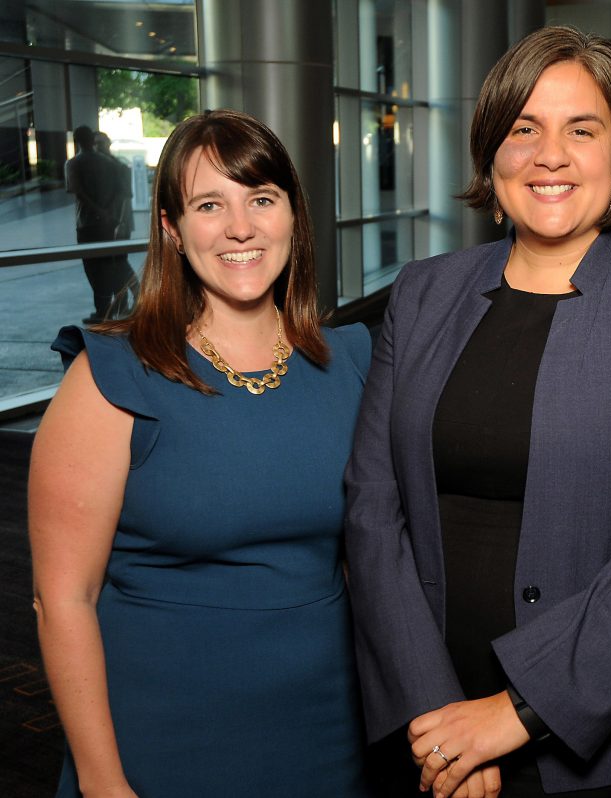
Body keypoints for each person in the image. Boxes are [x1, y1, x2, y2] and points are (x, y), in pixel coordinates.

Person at [344, 25, 611, 798]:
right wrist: (439, 722)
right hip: (429, 722)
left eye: (581, 130)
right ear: (491, 151)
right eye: (523, 129)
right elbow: (371, 508)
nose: (549, 155)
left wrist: (517, 712)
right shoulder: (424, 291)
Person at [31, 109, 371, 797]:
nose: (240, 227)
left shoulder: (356, 363)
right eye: (209, 204)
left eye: (261, 200)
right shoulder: (112, 376)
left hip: (327, 736)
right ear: (171, 229)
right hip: (160, 742)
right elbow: (64, 597)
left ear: (293, 217)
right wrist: (103, 783)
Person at [65, 125, 134, 323]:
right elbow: (120, 191)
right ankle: (115, 306)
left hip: (87, 223)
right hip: (108, 222)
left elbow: (78, 191)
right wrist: (107, 211)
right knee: (108, 264)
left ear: (76, 140)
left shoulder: (73, 163)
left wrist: (96, 210)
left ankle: (103, 310)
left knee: (93, 268)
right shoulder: (109, 163)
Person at [95, 131, 140, 317]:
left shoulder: (117, 167)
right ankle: (129, 299)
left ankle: (138, 295)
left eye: (101, 143)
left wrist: (121, 222)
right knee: (116, 263)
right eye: (96, 143)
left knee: (119, 262)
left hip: (120, 222)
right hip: (111, 223)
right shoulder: (104, 167)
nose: (98, 147)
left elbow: (125, 196)